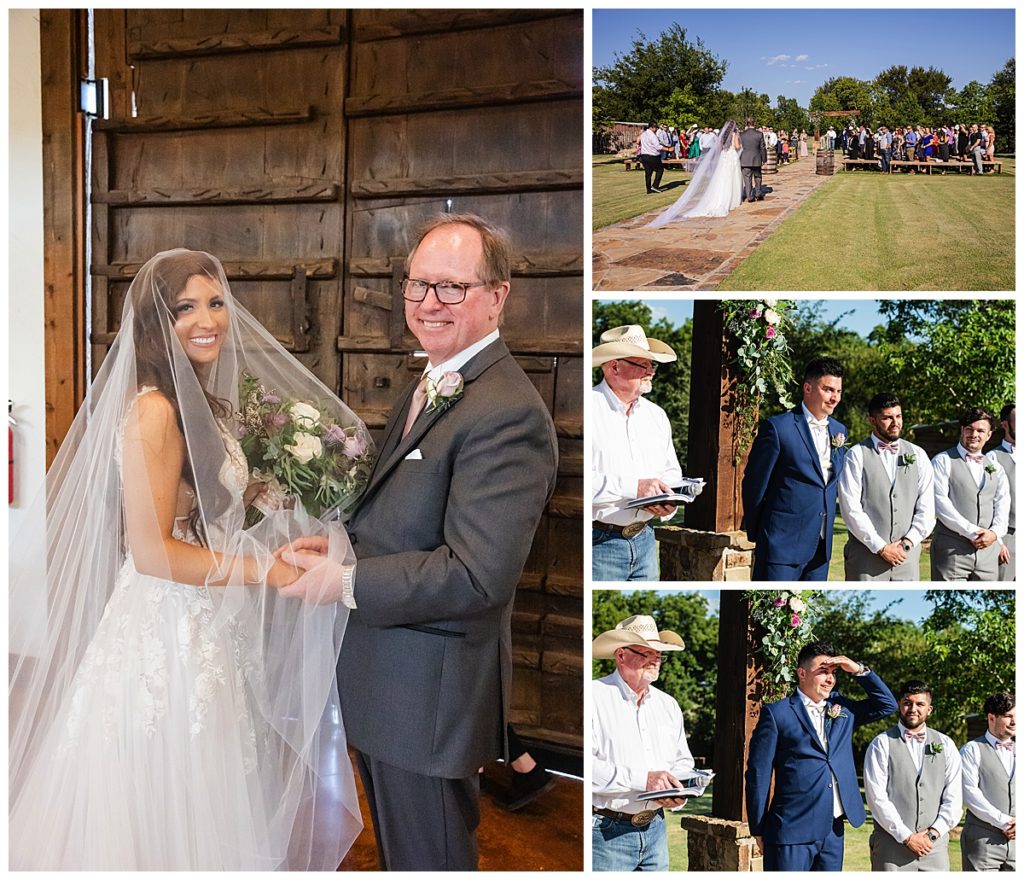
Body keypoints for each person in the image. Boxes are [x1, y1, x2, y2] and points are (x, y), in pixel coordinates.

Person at [8, 250, 367, 869]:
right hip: (165, 628)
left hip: (205, 620)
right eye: (186, 308)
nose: (209, 320)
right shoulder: (153, 411)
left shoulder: (200, 400)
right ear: (155, 324)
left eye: (216, 302)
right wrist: (263, 569)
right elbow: (150, 553)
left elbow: (195, 509)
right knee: (168, 782)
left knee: (213, 778)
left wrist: (268, 520)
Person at [276, 214, 559, 870]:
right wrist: (340, 553)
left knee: (429, 858)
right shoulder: (433, 379)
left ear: (497, 295)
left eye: (453, 287)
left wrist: (344, 584)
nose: (430, 303)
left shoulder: (506, 411)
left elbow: (475, 575)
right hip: (392, 683)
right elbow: (405, 518)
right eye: (420, 284)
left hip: (427, 697)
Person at [746, 641, 897, 871]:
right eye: (823, 672)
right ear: (802, 673)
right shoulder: (777, 714)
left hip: (833, 831)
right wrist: (758, 828)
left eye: (833, 673)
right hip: (790, 830)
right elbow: (759, 773)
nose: (830, 679)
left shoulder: (842, 707)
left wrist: (857, 669)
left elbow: (887, 704)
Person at [592, 615, 693, 871]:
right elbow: (588, 769)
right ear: (621, 655)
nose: (656, 659)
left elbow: (683, 761)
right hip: (606, 834)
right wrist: (644, 780)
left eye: (659, 653)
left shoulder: (668, 705)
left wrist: (678, 792)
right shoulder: (595, 696)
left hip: (656, 829)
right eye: (646, 652)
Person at [742, 357, 848, 581]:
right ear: (808, 388)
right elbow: (754, 485)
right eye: (828, 389)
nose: (835, 398)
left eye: (838, 391)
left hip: (821, 548)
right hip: (781, 546)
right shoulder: (778, 428)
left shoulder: (840, 431)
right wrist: (761, 535)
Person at [591, 325, 681, 580]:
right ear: (614, 367)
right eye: (643, 364)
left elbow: (671, 472)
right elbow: (578, 482)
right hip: (599, 544)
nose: (651, 371)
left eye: (652, 365)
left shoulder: (656, 416)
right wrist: (636, 488)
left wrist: (668, 502)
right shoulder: (588, 408)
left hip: (645, 541)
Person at [863, 681, 962, 871]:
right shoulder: (881, 743)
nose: (913, 709)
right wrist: (907, 837)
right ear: (900, 704)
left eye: (920, 704)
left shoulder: (946, 744)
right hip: (891, 848)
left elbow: (954, 798)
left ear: (929, 709)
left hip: (934, 848)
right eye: (908, 703)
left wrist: (932, 834)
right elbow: (876, 798)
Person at [837, 393, 934, 580]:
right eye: (887, 417)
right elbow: (850, 508)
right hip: (866, 559)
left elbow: (927, 509)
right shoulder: (856, 455)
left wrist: (907, 543)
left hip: (907, 558)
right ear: (872, 421)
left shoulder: (918, 455)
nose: (895, 422)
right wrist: (880, 547)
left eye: (898, 416)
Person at [931, 407, 1010, 581]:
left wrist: (994, 533)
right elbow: (940, 503)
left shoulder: (996, 467)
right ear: (962, 430)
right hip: (952, 551)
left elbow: (1002, 506)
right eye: (969, 429)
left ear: (989, 435)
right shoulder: (942, 461)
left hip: (988, 554)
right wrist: (973, 532)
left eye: (981, 430)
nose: (974, 434)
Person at [960, 692, 1016, 871]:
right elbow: (969, 794)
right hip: (982, 842)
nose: (1015, 722)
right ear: (991, 717)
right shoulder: (971, 750)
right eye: (1008, 717)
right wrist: (1005, 822)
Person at [648, 121, 742, 224]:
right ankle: (732, 200)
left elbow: (719, 148)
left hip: (724, 157)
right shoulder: (734, 135)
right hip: (731, 157)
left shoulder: (722, 136)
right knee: (732, 178)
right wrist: (740, 145)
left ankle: (721, 198)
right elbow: (737, 147)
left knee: (722, 179)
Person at [991, 403, 1015, 580]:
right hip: (1008, 535)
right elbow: (989, 503)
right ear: (1005, 425)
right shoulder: (992, 458)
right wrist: (998, 542)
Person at [740, 116, 768, 203]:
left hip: (745, 159)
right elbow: (763, 148)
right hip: (756, 159)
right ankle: (758, 194)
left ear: (746, 124)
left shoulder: (742, 135)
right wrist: (764, 160)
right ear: (754, 123)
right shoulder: (759, 134)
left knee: (747, 179)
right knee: (758, 177)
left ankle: (749, 196)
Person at [638, 120, 670, 194]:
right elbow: (658, 147)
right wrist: (668, 149)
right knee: (660, 170)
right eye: (655, 128)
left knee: (648, 173)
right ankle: (655, 186)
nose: (656, 129)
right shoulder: (652, 135)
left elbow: (639, 142)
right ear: (652, 127)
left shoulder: (643, 134)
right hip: (653, 156)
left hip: (644, 155)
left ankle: (648, 189)